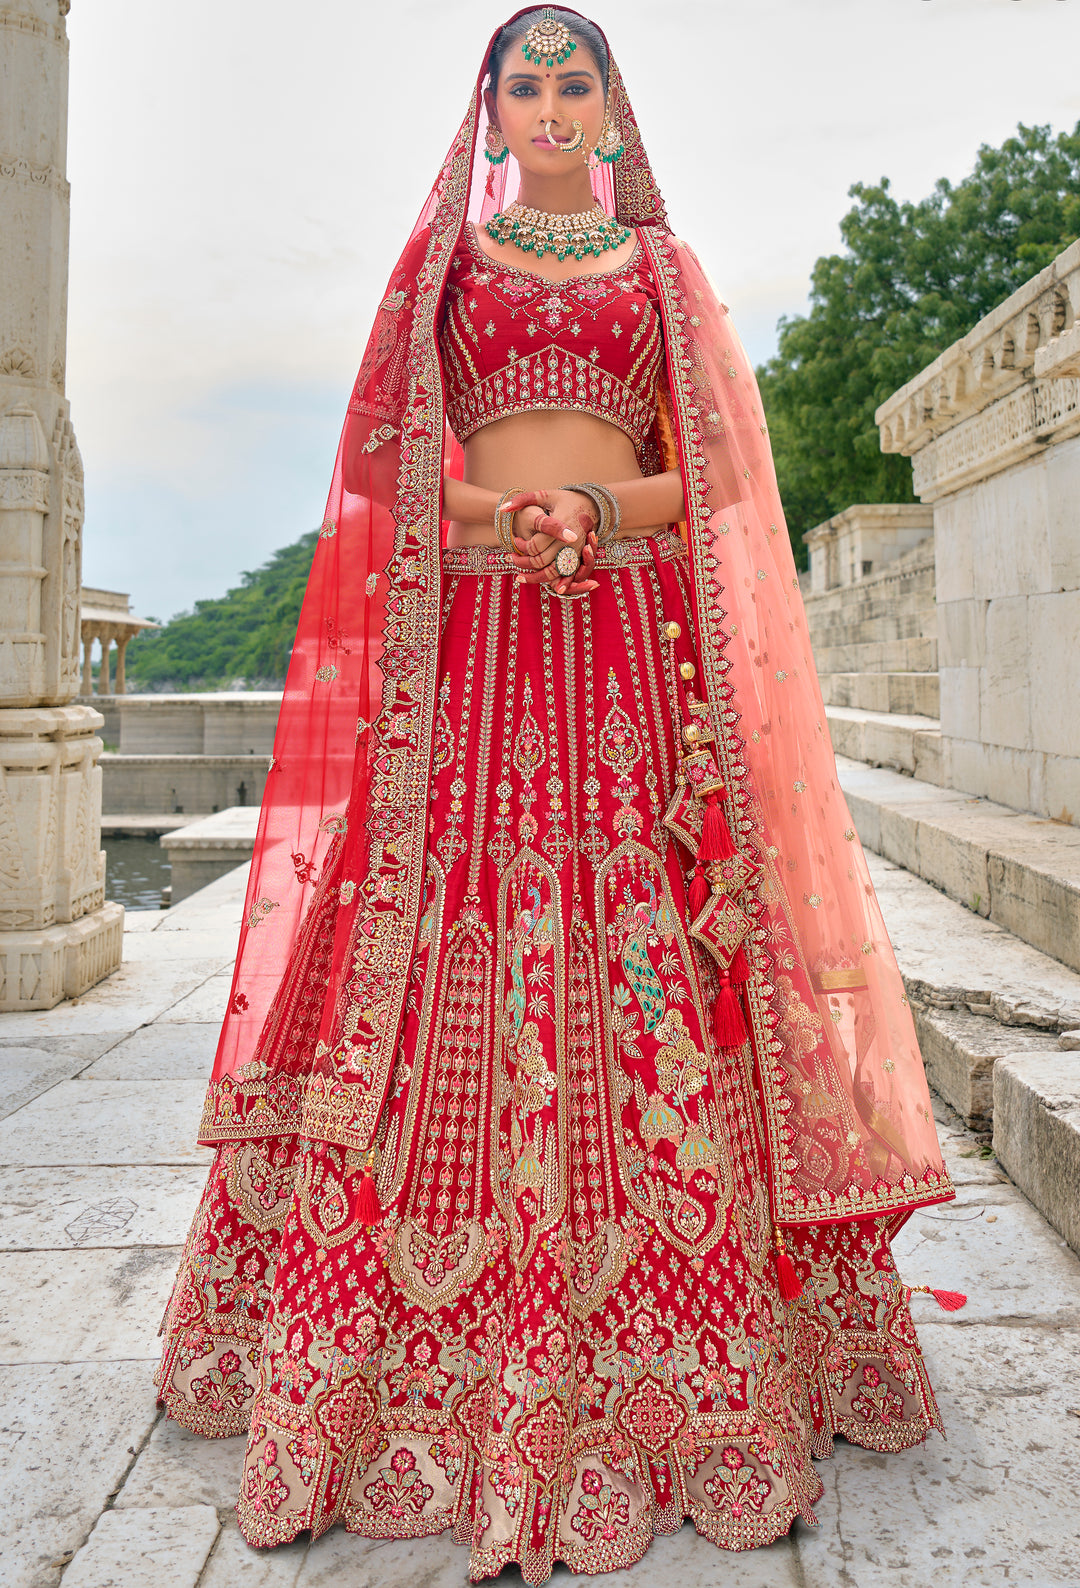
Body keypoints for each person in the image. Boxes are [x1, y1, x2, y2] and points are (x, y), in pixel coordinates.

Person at [157, 9, 961, 1580]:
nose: (545, 102)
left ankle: (702, 1378)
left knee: (654, 958)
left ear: (611, 108)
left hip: (625, 658)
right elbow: (388, 467)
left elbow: (719, 473)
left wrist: (592, 506)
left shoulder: (662, 276)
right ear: (490, 111)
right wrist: (500, 518)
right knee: (434, 954)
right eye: (520, 82)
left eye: (571, 79)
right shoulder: (443, 274)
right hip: (470, 654)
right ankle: (383, 1381)